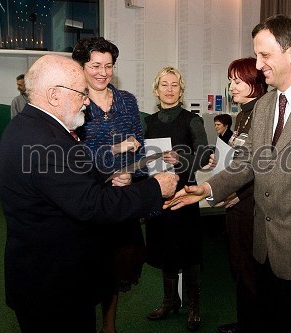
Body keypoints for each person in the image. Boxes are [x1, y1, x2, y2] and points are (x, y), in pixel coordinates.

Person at [165, 14, 291, 332]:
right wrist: (208, 189)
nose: (258, 63)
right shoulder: (265, 105)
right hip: (262, 244)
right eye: (256, 54)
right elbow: (246, 162)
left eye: (265, 55)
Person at [0, 54, 178, 333]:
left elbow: (71, 182)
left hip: (51, 276)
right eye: (82, 93)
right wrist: (156, 187)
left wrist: (109, 175)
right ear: (54, 95)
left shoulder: (34, 127)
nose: (86, 101)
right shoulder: (44, 141)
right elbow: (93, 206)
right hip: (53, 289)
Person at [72, 36, 146, 333]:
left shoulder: (127, 100)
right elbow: (73, 155)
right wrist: (114, 152)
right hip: (88, 196)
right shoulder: (75, 100)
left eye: (109, 66)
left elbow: (138, 147)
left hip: (121, 198)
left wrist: (130, 172)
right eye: (95, 65)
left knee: (118, 266)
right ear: (82, 67)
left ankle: (109, 325)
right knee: (89, 266)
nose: (103, 72)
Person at [144, 66, 211, 331]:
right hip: (158, 196)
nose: (169, 89)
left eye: (174, 85)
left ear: (181, 90)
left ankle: (193, 307)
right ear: (156, 89)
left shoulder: (191, 119)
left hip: (185, 195)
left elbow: (205, 152)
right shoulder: (147, 122)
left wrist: (181, 160)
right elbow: (141, 158)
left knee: (189, 253)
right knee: (164, 250)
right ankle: (170, 301)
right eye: (164, 84)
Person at [216, 57, 268, 333]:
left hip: (249, 204)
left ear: (254, 83)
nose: (231, 87)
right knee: (239, 265)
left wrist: (241, 193)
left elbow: (264, 164)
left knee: (249, 270)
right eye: (231, 81)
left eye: (237, 81)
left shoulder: (262, 112)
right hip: (235, 200)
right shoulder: (242, 113)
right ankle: (245, 322)